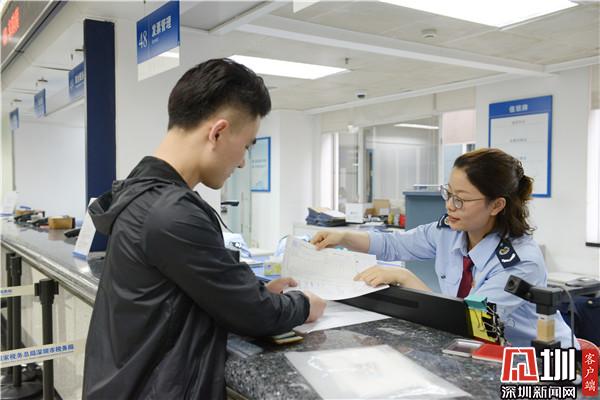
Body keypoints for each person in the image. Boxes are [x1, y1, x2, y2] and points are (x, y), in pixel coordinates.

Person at [82, 59, 326, 399]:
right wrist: (303, 304)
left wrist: (252, 290)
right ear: (218, 132)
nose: (243, 161)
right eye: (247, 145)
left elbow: (190, 284)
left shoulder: (141, 192)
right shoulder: (170, 212)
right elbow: (252, 314)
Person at [311, 148, 575, 348]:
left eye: (461, 199)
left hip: (535, 365)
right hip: (479, 352)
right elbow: (393, 244)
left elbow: (475, 325)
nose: (449, 205)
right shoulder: (449, 232)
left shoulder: (520, 262)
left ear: (496, 205)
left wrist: (405, 278)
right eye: (448, 194)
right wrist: (343, 237)